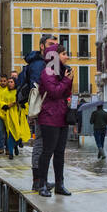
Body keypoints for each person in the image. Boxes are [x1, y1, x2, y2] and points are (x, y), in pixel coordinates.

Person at [33, 42, 74, 197]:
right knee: (47, 151)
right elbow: (55, 92)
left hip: (62, 116)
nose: (67, 57)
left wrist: (68, 80)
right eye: (64, 54)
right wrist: (66, 81)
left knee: (60, 153)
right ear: (55, 56)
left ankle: (59, 184)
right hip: (49, 117)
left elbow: (65, 93)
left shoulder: (61, 72)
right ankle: (42, 184)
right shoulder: (47, 72)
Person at [17, 36, 52, 191]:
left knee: (44, 144)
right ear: (42, 46)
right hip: (42, 108)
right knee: (40, 144)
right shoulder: (39, 64)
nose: (54, 47)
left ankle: (41, 180)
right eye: (51, 44)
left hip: (47, 108)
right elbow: (39, 87)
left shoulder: (49, 62)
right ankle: (38, 181)